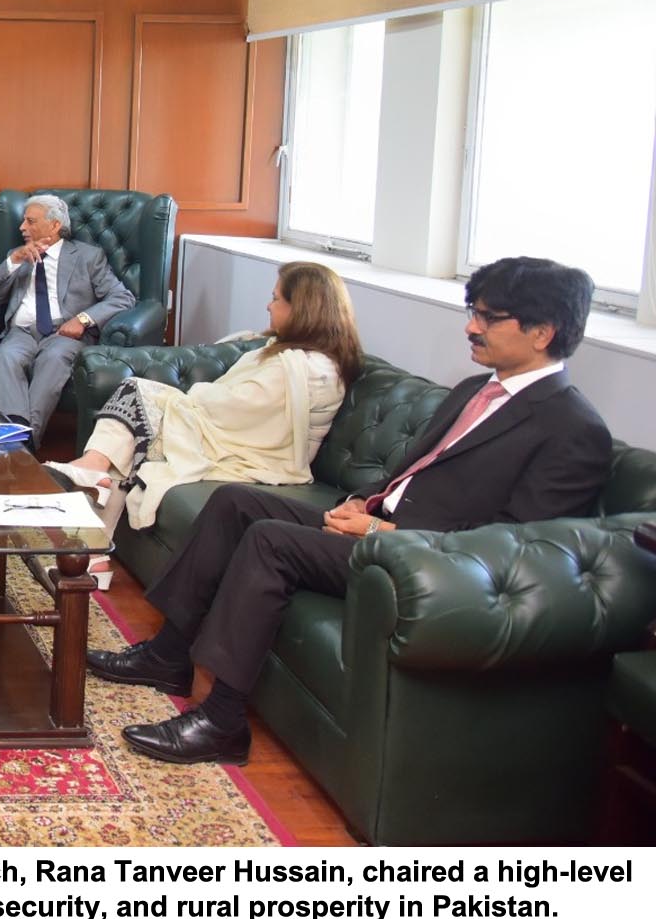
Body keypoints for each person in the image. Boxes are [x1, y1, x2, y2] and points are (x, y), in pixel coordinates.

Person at [86, 256, 612, 766]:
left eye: (489, 317)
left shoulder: (573, 430)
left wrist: (382, 529)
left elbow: (513, 548)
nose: (471, 327)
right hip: (375, 525)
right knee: (235, 501)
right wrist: (364, 500)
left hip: (421, 561)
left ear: (542, 332)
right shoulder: (477, 390)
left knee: (270, 540)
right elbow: (416, 469)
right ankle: (169, 655)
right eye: (472, 312)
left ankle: (222, 722)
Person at [54, 261, 363, 531]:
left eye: (276, 298)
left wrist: (191, 397)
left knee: (135, 395)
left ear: (302, 309)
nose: (268, 306)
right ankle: (93, 492)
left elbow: (236, 409)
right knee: (132, 425)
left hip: (248, 451)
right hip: (229, 434)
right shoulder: (297, 355)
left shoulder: (307, 368)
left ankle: (92, 475)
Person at [0, 194, 134, 447]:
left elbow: (122, 297)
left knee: (53, 359)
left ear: (54, 225)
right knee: (5, 356)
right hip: (21, 332)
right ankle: (18, 437)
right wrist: (14, 260)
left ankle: (18, 443)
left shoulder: (88, 256)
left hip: (64, 334)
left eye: (30, 221)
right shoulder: (17, 255)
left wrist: (83, 319)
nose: (22, 227)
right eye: (23, 221)